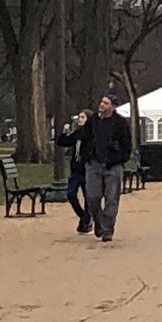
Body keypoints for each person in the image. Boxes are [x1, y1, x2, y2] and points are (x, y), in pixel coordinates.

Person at [83, 93, 132, 243]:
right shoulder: (92, 121)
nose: (102, 105)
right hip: (94, 164)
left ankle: (107, 230)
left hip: (113, 166)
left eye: (106, 103)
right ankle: (98, 221)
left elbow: (127, 144)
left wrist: (120, 157)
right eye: (102, 102)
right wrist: (87, 156)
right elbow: (85, 140)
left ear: (113, 106)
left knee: (111, 199)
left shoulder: (120, 123)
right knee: (92, 196)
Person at [56, 110, 93, 234]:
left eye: (82, 117)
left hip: (87, 170)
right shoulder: (78, 133)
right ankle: (84, 216)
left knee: (88, 198)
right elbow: (63, 142)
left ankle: (85, 224)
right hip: (76, 171)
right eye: (79, 117)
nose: (79, 119)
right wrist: (64, 132)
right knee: (71, 194)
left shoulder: (92, 134)